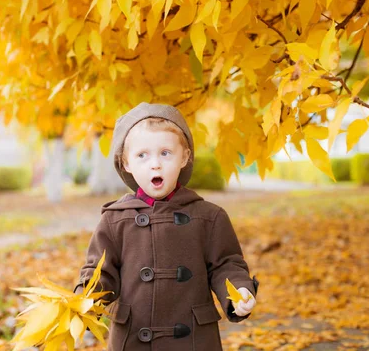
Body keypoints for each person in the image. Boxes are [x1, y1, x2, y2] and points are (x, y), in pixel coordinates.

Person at [74, 102, 259, 350]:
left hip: (192, 338)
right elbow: (100, 271)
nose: (155, 164)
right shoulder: (114, 220)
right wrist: (85, 299)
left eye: (165, 153)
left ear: (184, 157)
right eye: (142, 155)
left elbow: (226, 264)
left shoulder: (209, 217)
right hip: (133, 337)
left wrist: (239, 290)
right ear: (126, 163)